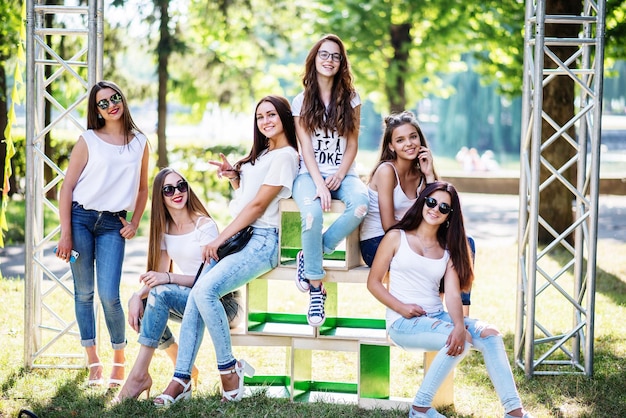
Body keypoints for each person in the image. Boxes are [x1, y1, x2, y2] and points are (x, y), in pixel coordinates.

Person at [153, 95, 299, 406]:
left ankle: (228, 370)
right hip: (246, 237)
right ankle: (181, 378)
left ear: (285, 117)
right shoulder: (265, 154)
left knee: (204, 292)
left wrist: (218, 240)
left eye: (271, 114)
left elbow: (259, 207)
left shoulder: (286, 156)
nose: (265, 121)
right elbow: (250, 196)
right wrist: (236, 178)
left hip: (263, 241)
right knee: (199, 293)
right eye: (260, 117)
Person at [367, 182, 533, 418]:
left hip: (436, 316)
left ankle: (514, 412)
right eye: (431, 202)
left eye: (444, 208)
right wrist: (401, 307)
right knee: (459, 340)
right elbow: (373, 282)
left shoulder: (448, 249)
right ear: (423, 201)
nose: (435, 209)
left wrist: (458, 325)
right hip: (402, 323)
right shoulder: (396, 237)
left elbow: (453, 294)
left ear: (449, 216)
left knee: (491, 334)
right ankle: (420, 409)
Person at [113, 168, 241, 402]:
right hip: (192, 301)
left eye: (181, 186)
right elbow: (159, 274)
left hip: (221, 303)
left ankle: (139, 375)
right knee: (146, 301)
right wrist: (136, 295)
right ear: (160, 197)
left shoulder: (204, 226)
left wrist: (169, 279)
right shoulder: (165, 230)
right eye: (168, 190)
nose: (177, 193)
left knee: (159, 293)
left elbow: (208, 281)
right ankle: (180, 366)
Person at [56, 80, 150, 388]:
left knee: (110, 295)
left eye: (115, 98)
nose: (111, 105)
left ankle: (119, 362)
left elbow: (142, 188)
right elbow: (67, 187)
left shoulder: (140, 141)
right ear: (96, 110)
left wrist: (135, 221)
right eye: (103, 103)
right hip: (80, 219)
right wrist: (65, 234)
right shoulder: (89, 139)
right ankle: (93, 362)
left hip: (113, 224)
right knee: (84, 293)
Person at [292, 34, 369, 328]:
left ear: (341, 63)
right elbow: (306, 149)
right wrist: (321, 184)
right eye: (324, 54)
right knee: (311, 215)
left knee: (361, 205)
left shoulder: (351, 98)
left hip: (344, 172)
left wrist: (339, 173)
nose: (329, 60)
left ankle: (312, 252)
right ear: (315, 59)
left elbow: (352, 143)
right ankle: (315, 286)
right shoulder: (300, 101)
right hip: (308, 174)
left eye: (336, 56)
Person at [359, 111, 437, 268]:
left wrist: (429, 176)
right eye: (400, 140)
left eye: (413, 137)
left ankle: (448, 293)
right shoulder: (386, 171)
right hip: (377, 243)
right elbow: (388, 225)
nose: (409, 143)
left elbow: (435, 213)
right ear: (391, 146)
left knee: (465, 244)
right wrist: (421, 232)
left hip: (407, 239)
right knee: (434, 258)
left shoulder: (421, 174)